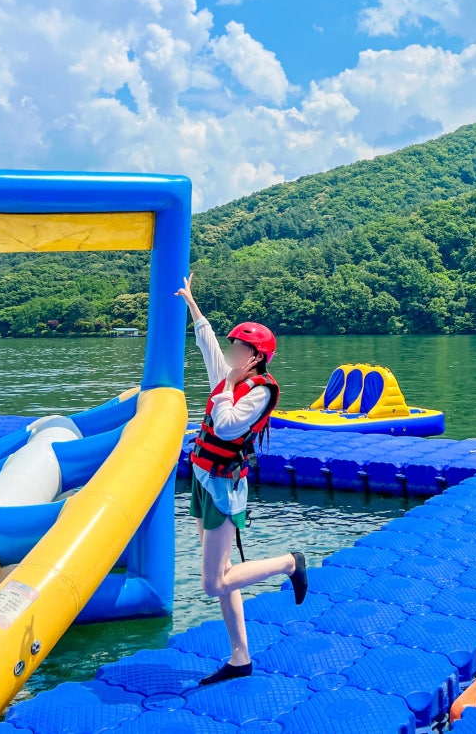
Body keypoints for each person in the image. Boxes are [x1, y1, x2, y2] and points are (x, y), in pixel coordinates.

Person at [175, 273, 308, 685]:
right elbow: (206, 343)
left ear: (256, 357)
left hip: (224, 488)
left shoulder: (259, 391)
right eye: (232, 345)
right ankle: (240, 657)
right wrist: (192, 303)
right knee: (224, 571)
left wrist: (227, 387)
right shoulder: (228, 374)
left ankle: (290, 563)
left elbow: (228, 425)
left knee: (213, 583)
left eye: (240, 348)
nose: (232, 351)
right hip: (203, 477)